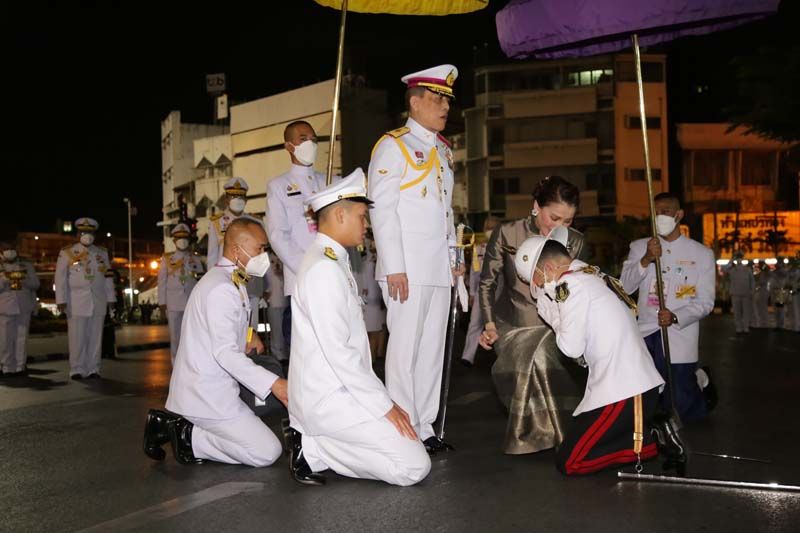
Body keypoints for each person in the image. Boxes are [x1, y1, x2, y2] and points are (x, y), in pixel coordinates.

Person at [285, 169, 431, 487]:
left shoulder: (332, 260)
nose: (366, 226)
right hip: (329, 398)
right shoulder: (324, 269)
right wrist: (385, 405)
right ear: (340, 214)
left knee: (409, 443)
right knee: (413, 467)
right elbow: (340, 353)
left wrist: (382, 402)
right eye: (362, 217)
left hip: (344, 390)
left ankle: (315, 446)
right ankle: (312, 445)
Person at [513, 229, 684, 475]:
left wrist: (551, 315)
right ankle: (646, 432)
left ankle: (651, 441)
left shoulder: (571, 285)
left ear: (548, 268)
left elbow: (571, 348)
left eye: (539, 282)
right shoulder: (591, 275)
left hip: (626, 390)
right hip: (622, 387)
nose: (541, 288)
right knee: (577, 444)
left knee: (570, 462)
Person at [368, 64, 463, 454]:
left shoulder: (442, 149)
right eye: (438, 99)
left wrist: (454, 259)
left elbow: (446, 212)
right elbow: (382, 209)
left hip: (437, 267)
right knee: (404, 352)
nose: (445, 107)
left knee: (431, 352)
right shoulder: (394, 145)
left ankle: (424, 427)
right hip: (406, 268)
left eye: (447, 101)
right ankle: (403, 429)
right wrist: (394, 267)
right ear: (416, 101)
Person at [144, 218, 287, 467]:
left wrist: (249, 335)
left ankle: (180, 430)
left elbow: (223, 328)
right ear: (237, 250)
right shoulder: (222, 288)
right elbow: (225, 353)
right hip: (206, 394)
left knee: (259, 440)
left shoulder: (228, 280)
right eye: (259, 248)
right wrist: (274, 384)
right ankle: (185, 435)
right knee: (266, 451)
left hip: (216, 387)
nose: (263, 256)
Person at [478, 176, 586, 454]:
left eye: (568, 221)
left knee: (541, 359)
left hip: (553, 325)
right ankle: (546, 434)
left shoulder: (575, 241)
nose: (560, 227)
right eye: (554, 218)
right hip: (510, 323)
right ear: (536, 206)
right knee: (530, 365)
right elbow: (487, 282)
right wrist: (489, 324)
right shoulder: (507, 232)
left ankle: (550, 435)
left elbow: (576, 289)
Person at [620, 193, 716, 423]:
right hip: (647, 331)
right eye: (656, 212)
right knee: (648, 400)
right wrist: (646, 259)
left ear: (679, 215)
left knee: (681, 409)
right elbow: (624, 286)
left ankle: (701, 381)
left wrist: (676, 316)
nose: (660, 216)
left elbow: (706, 302)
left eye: (666, 211)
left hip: (679, 333)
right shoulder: (640, 247)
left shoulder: (702, 254)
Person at [266, 121, 329, 354]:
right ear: (289, 146)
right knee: (305, 352)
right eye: (303, 139)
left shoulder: (329, 181)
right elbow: (277, 235)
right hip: (302, 279)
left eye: (314, 139)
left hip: (333, 277)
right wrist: (309, 267)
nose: (310, 143)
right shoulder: (278, 186)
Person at [54, 218, 116, 380]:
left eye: (90, 233)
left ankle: (94, 368)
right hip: (76, 301)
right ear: (77, 234)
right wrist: (61, 299)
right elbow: (60, 278)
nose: (87, 236)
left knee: (95, 337)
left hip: (98, 300)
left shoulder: (102, 253)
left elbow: (108, 277)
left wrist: (111, 298)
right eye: (83, 232)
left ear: (94, 234)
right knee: (77, 337)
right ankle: (77, 368)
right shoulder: (67, 252)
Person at [207, 177, 265, 330]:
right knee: (229, 325)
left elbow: (261, 256)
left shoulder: (256, 222)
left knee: (251, 327)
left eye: (241, 197)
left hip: (251, 283)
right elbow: (212, 256)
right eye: (234, 196)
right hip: (227, 281)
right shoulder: (217, 222)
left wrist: (263, 288)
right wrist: (212, 282)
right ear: (226, 199)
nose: (238, 200)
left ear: (246, 200)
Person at [157, 223, 205, 363]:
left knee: (191, 336)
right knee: (175, 337)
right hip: (173, 304)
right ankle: (176, 364)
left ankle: (190, 364)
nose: (182, 241)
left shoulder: (195, 259)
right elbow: (161, 282)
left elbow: (201, 282)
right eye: (179, 238)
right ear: (174, 241)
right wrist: (162, 304)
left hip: (191, 303)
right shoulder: (167, 259)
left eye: (185, 238)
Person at [460, 217, 499, 367]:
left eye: (493, 227)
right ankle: (467, 357)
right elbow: (474, 272)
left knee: (500, 325)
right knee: (474, 323)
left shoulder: (504, 248)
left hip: (499, 292)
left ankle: (501, 357)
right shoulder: (478, 248)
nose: (490, 230)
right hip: (480, 292)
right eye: (488, 227)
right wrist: (471, 293)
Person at [0, 241, 40, 376]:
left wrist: (24, 279)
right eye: (6, 248)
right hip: (5, 307)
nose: (10, 251)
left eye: (12, 248)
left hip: (24, 305)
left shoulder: (26, 265)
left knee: (21, 337)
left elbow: (36, 284)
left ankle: (20, 366)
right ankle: (6, 366)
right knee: (6, 338)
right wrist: (4, 280)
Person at [357, 231, 387, 360]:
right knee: (374, 328)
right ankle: (375, 355)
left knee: (375, 329)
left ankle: (375, 355)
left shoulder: (373, 261)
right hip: (370, 296)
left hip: (374, 295)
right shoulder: (369, 261)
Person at [264, 250, 288, 362]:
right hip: (273, 299)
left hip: (285, 298)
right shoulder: (266, 257)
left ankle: (285, 354)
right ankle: (277, 355)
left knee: (284, 329)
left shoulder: (283, 254)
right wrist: (265, 292)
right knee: (276, 329)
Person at [725, 251, 754, 334]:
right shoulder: (732, 270)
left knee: (746, 311)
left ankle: (745, 327)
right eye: (737, 258)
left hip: (746, 293)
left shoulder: (747, 269)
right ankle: (739, 327)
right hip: (735, 293)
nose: (739, 259)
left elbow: (752, 281)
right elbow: (724, 269)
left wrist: (752, 291)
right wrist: (731, 260)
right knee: (737, 312)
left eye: (740, 257)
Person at [770, 260, 789, 330]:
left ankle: (781, 325)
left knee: (780, 309)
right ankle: (777, 325)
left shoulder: (783, 271)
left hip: (780, 292)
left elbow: (784, 275)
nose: (777, 265)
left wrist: (779, 269)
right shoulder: (774, 272)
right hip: (774, 292)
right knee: (775, 309)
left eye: (779, 263)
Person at [752, 263, 771, 328]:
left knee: (762, 308)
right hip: (762, 291)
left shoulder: (765, 273)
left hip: (763, 291)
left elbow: (761, 282)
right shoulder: (762, 273)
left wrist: (756, 283)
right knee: (761, 308)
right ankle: (762, 323)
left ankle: (764, 323)